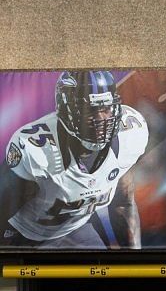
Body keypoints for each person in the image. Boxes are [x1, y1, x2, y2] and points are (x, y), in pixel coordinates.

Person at [0, 71, 149, 249]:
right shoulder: (36, 149)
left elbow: (123, 203)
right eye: (90, 110)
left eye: (106, 108)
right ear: (67, 110)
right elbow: (3, 208)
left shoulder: (129, 136)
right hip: (25, 234)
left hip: (75, 229)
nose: (101, 119)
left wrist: (134, 258)